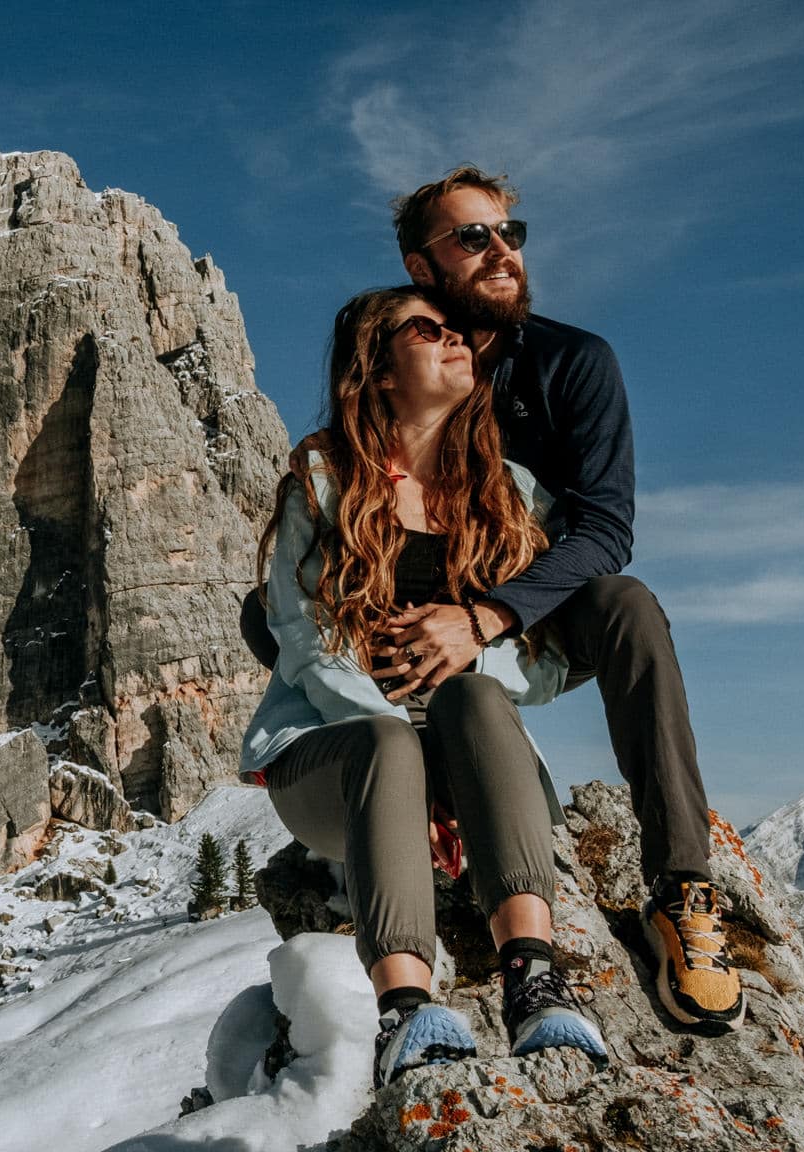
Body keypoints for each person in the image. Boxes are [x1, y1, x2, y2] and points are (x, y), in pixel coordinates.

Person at [241, 167, 743, 1037]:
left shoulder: (562, 378)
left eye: (511, 232)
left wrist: (484, 622)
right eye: (473, 237)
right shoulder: (330, 472)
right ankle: (405, 944)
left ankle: (676, 892)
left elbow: (599, 532)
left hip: (517, 618)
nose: (502, 250)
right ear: (422, 264)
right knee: (276, 618)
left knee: (624, 605)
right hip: (377, 672)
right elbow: (301, 614)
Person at [243, 285, 608, 1087]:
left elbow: (543, 652)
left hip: (471, 749)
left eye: (459, 331)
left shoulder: (509, 492)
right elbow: (298, 636)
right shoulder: (322, 478)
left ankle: (535, 982)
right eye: (428, 329)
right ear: (376, 369)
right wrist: (409, 751)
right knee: (386, 744)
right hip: (333, 757)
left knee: (473, 697)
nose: (457, 341)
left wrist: (471, 652)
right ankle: (406, 1014)